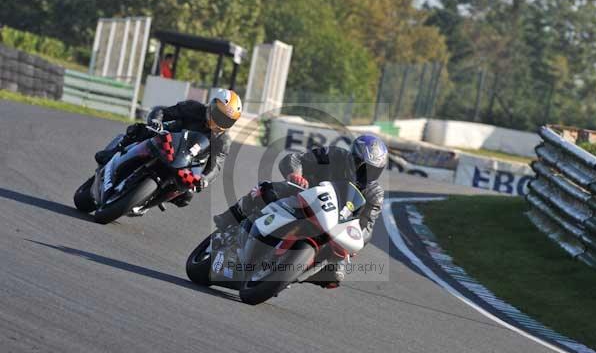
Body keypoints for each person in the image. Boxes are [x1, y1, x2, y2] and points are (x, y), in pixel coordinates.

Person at [213, 135, 388, 288]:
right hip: (304, 196)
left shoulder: (374, 195)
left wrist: (357, 241)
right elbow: (295, 158)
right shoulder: (333, 155)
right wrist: (296, 174)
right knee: (265, 190)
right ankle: (230, 218)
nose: (366, 174)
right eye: (363, 166)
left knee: (336, 273)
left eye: (373, 170)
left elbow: (367, 227)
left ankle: (290, 276)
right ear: (352, 159)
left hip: (335, 228)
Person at [95, 89, 242, 208]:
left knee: (187, 196)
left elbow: (216, 166)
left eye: (226, 120)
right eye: (218, 114)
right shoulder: (193, 108)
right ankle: (113, 152)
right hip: (169, 138)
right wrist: (156, 121)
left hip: (187, 160)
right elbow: (163, 112)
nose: (219, 121)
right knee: (140, 130)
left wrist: (205, 179)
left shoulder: (223, 141)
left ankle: (156, 198)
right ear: (211, 105)